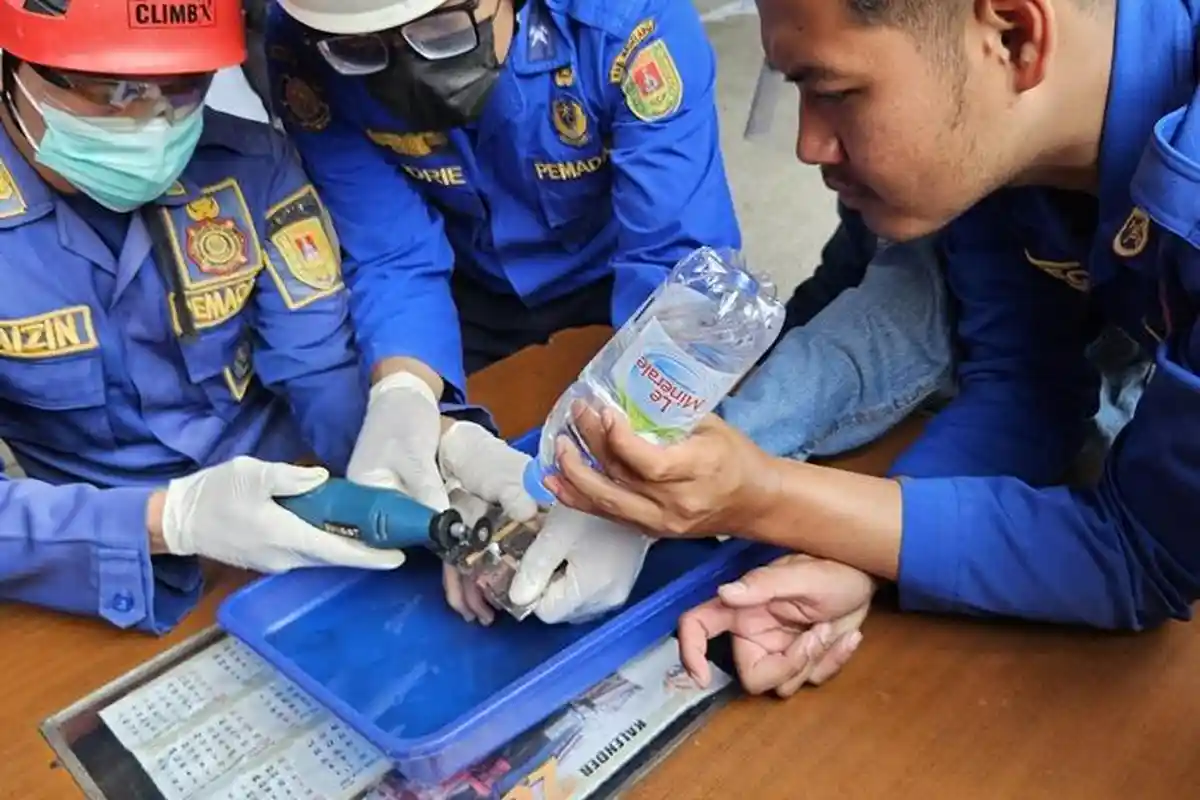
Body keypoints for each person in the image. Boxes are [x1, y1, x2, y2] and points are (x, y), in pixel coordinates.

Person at [542, 0, 1200, 691]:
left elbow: (1144, 553)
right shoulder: (1004, 141)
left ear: (1013, 35)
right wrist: (858, 552)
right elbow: (1025, 390)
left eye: (834, 93)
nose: (809, 145)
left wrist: (763, 497)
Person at [263, 0, 745, 624]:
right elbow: (391, 253)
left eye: (438, 32)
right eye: (364, 51)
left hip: (621, 291)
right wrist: (408, 395)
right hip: (459, 303)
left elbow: (676, 268)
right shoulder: (308, 33)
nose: (404, 72)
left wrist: (626, 483)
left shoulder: (631, 21)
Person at [0, 0, 414, 635]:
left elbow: (323, 367)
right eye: (111, 90)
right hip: (101, 555)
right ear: (15, 66)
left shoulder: (250, 165)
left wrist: (408, 445)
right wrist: (172, 519)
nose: (150, 123)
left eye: (182, 87)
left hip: (299, 514)